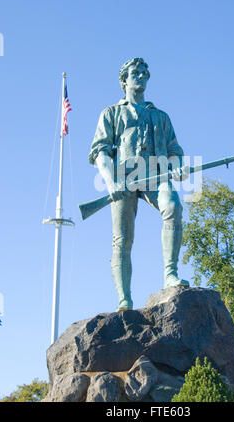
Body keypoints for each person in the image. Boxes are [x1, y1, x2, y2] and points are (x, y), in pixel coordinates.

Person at [89, 58, 189, 311]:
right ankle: (124, 299)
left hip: (155, 175)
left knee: (173, 206)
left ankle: (170, 274)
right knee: (122, 239)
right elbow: (100, 151)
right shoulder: (111, 113)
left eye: (145, 72)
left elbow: (174, 149)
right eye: (135, 72)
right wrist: (110, 181)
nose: (141, 76)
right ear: (124, 80)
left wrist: (176, 165)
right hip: (123, 178)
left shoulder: (160, 116)